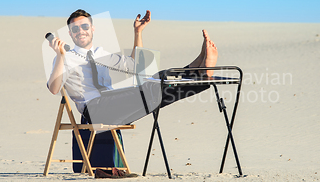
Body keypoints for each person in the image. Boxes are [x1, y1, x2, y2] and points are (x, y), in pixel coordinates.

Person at [47, 9, 218, 172]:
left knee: (155, 79)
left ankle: (196, 68)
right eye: (75, 29)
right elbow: (54, 89)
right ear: (69, 33)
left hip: (112, 103)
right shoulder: (65, 58)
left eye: (84, 26)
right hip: (94, 109)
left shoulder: (100, 53)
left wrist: (138, 33)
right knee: (151, 86)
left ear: (92, 29)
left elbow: (136, 66)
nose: (80, 31)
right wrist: (61, 55)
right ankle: (199, 73)